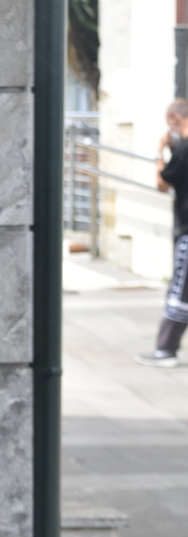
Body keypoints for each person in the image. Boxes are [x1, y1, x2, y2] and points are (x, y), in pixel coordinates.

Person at [136, 98, 188, 368]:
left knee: (179, 293)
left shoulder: (184, 150)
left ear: (175, 120)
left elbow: (162, 183)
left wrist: (160, 151)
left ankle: (165, 350)